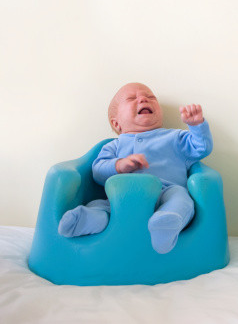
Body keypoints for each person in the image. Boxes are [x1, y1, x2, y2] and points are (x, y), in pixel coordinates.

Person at [58, 82, 213, 254]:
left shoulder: (174, 137)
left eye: (150, 97)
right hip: (120, 200)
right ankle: (89, 219)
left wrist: (197, 125)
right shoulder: (114, 146)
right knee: (100, 206)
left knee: (182, 199)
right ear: (117, 124)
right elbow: (98, 171)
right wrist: (119, 165)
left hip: (166, 193)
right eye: (132, 98)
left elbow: (201, 148)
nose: (143, 99)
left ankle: (166, 224)